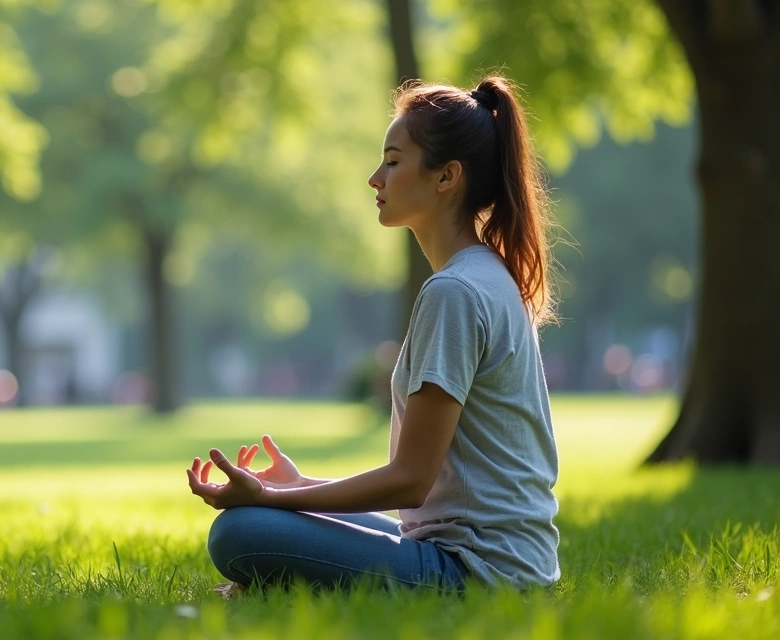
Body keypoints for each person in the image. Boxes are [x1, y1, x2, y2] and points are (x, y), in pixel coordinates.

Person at [186, 76, 561, 594]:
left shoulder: (455, 291)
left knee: (240, 532)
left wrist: (271, 501)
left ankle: (280, 580)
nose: (374, 178)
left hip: (475, 572)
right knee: (272, 527)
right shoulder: (486, 275)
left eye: (392, 160)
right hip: (492, 559)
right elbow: (420, 489)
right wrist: (299, 488)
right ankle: (285, 582)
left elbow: (410, 479)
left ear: (445, 177)